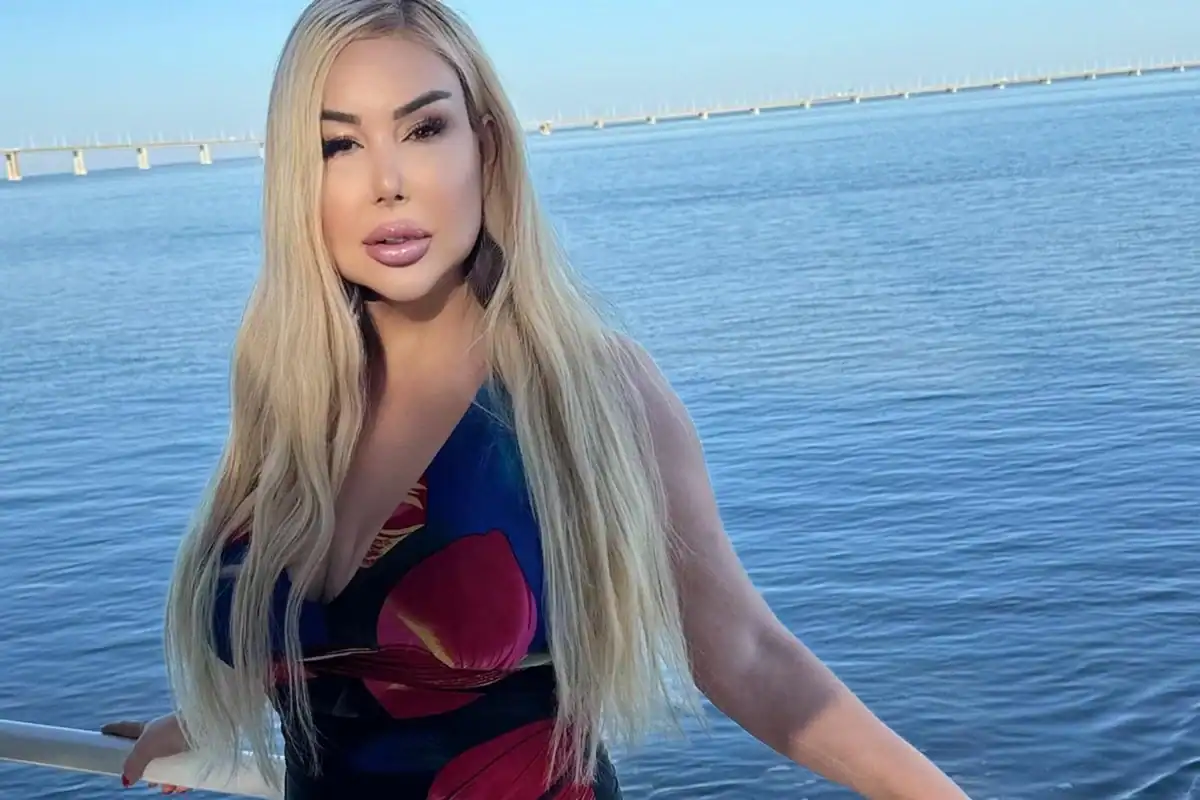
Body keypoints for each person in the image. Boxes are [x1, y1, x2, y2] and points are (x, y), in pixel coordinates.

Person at [102, 1, 972, 797]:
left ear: (485, 147)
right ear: (300, 179)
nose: (387, 182)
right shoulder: (290, 403)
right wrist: (204, 722)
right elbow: (323, 647)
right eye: (340, 145)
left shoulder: (588, 394)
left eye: (424, 128)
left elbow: (747, 656)